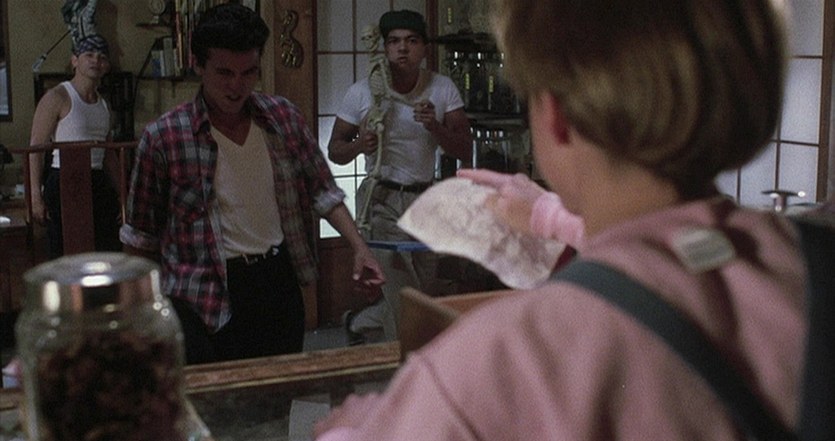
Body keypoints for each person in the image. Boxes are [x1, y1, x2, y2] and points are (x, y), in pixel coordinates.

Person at [314, 0, 808, 439]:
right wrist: (550, 215)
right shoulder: (812, 258)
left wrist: (345, 432)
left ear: (555, 115)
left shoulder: (497, 359)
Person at [120, 3, 384, 364]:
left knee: (278, 387)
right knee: (211, 393)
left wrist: (359, 247)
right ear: (198, 65)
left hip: (276, 277)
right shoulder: (165, 137)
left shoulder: (282, 118)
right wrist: (137, 314)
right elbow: (140, 237)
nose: (236, 86)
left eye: (249, 73)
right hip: (199, 290)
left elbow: (322, 189)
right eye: (224, 72)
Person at [327, 9, 472, 344]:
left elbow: (465, 148)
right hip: (381, 198)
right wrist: (360, 145)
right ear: (384, 47)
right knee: (405, 296)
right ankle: (407, 368)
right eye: (394, 41)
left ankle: (361, 322)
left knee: (423, 293)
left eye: (411, 41)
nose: (402, 49)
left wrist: (435, 126)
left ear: (424, 48)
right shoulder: (364, 92)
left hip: (424, 199)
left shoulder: (441, 88)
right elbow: (335, 150)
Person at [28, 34, 122, 258]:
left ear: (107, 66)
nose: (95, 61)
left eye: (101, 57)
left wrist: (122, 194)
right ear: (75, 61)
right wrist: (35, 196)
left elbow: (108, 154)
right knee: (66, 250)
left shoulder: (103, 105)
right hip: (64, 179)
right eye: (89, 55)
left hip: (97, 180)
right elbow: (36, 149)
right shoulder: (57, 96)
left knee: (103, 249)